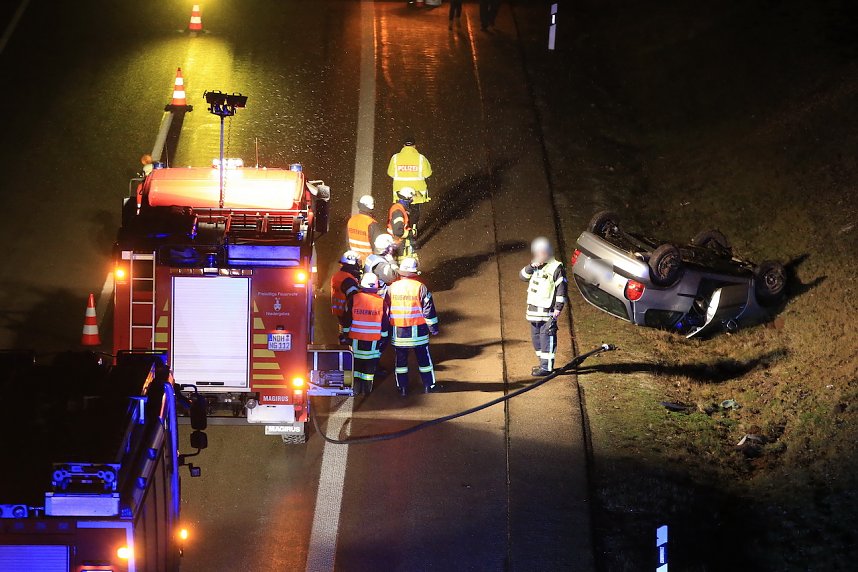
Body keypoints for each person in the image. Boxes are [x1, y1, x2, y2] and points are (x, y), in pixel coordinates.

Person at [388, 257, 441, 396]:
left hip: (398, 332)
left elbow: (386, 309)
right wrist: (433, 328)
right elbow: (428, 310)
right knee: (424, 361)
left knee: (401, 363)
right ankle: (429, 386)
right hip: (418, 332)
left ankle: (403, 389)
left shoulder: (392, 288)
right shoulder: (420, 287)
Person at [519, 237, 567, 376]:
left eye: (542, 252)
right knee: (536, 339)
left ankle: (547, 368)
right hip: (533, 313)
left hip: (548, 313)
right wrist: (531, 266)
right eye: (537, 252)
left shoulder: (556, 268)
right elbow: (522, 276)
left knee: (547, 339)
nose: (539, 255)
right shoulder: (535, 266)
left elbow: (561, 289)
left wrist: (558, 308)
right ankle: (542, 364)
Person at [343, 273, 390, 396]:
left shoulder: (353, 299)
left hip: (355, 339)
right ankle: (367, 392)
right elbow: (385, 323)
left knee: (356, 365)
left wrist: (346, 335)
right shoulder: (382, 303)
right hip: (373, 341)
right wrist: (384, 339)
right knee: (369, 368)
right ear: (376, 287)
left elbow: (347, 319)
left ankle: (355, 389)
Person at [387, 137, 432, 230]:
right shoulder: (421, 158)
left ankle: (402, 227)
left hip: (400, 192)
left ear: (403, 146)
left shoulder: (395, 158)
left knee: (401, 210)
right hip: (417, 192)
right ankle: (413, 226)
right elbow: (428, 173)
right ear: (414, 146)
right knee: (415, 210)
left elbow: (390, 173)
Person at [331, 251, 362, 344]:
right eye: (357, 262)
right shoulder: (348, 280)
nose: (359, 265)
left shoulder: (339, 275)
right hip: (348, 314)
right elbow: (354, 299)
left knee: (343, 333)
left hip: (341, 311)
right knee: (348, 337)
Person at [347, 194, 383, 262]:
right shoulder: (371, 223)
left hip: (354, 259)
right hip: (368, 261)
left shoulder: (351, 220)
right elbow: (377, 246)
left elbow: (347, 241)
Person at [388, 188, 417, 263]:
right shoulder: (398, 211)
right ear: (407, 198)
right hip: (400, 245)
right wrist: (411, 233)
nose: (413, 199)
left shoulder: (399, 208)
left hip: (398, 243)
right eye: (411, 197)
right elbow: (398, 231)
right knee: (404, 265)